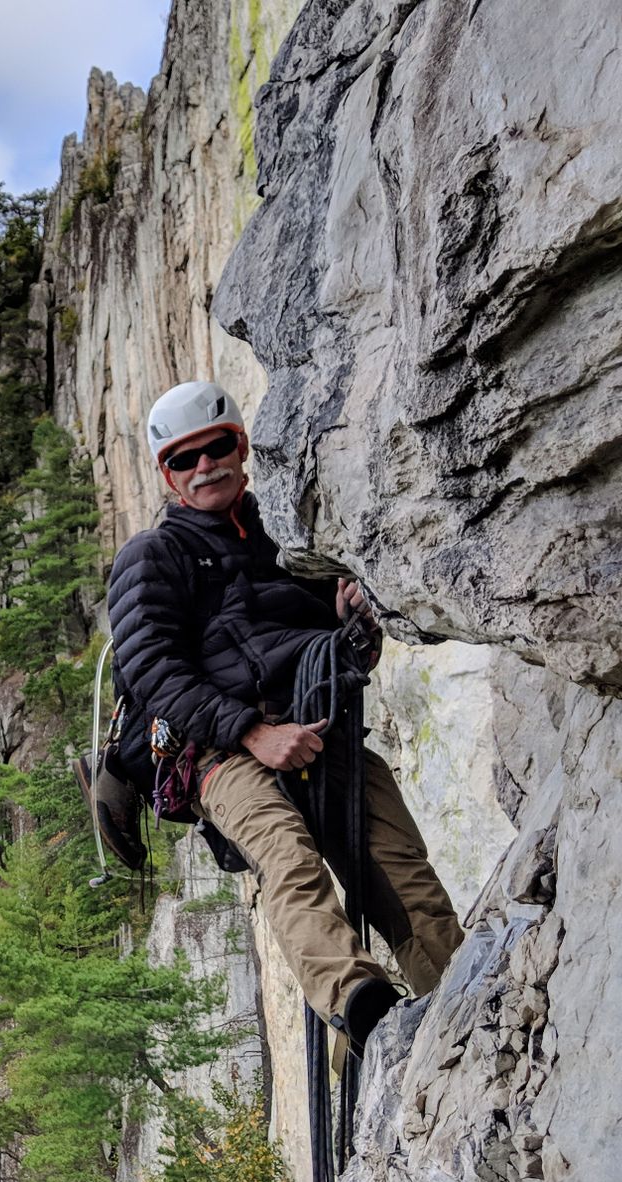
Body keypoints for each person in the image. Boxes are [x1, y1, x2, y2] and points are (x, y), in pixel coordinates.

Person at [103, 379, 463, 1055]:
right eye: (185, 458)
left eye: (216, 448)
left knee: (403, 872)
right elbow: (153, 668)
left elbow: (350, 651)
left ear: (241, 449)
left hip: (319, 729)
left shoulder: (294, 541)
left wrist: (354, 622)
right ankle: (368, 1017)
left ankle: (460, 1007)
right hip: (217, 750)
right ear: (168, 475)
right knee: (288, 859)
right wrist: (250, 732)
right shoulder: (153, 557)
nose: (204, 465)